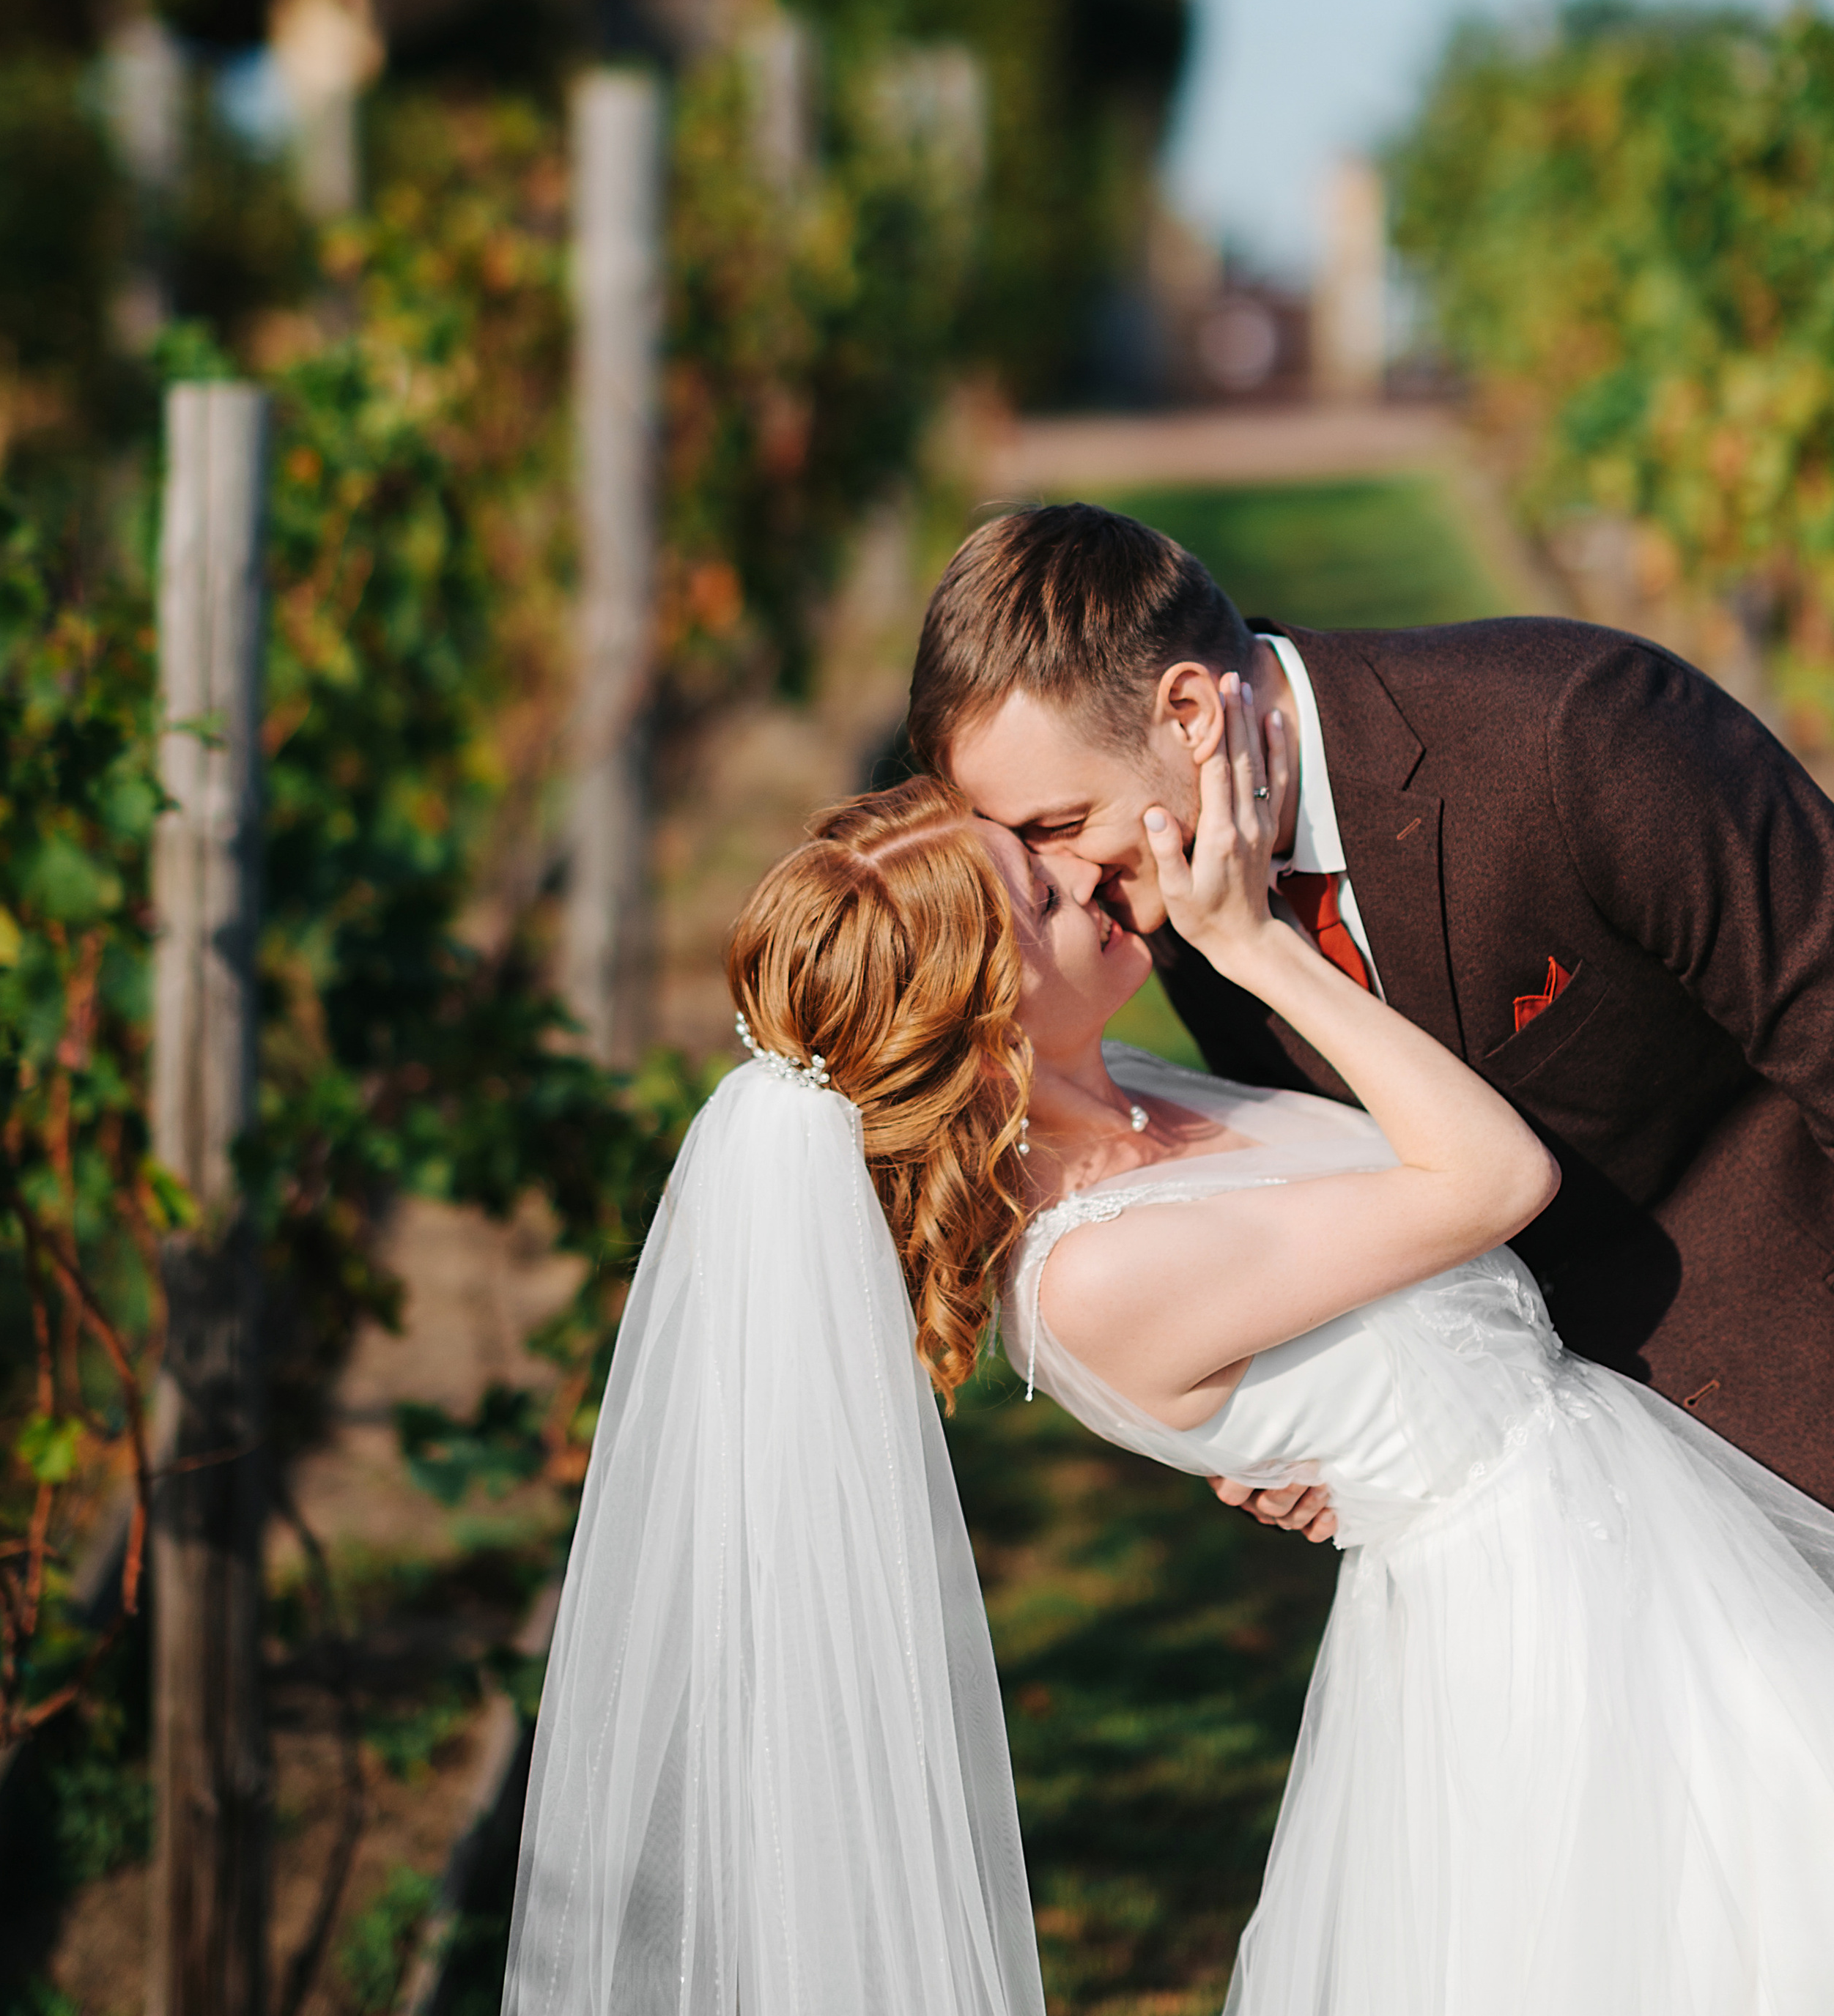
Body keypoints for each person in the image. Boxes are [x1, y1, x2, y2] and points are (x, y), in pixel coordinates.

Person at [504, 729, 1834, 2014]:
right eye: (1039, 889)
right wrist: (1255, 949)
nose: (1087, 872)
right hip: (1552, 1627)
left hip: (1627, 1524)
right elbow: (1494, 1180)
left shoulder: (1128, 1087)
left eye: (1043, 843)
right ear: (984, 1019)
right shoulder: (1091, 1277)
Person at [908, 499, 1834, 1517]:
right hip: (1560, 1510)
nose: (1068, 880)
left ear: (1188, 715)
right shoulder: (1177, 906)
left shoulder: (1575, 730)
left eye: (1063, 824)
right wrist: (1304, 1416)